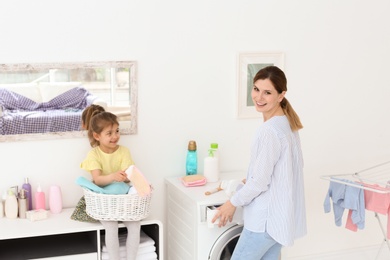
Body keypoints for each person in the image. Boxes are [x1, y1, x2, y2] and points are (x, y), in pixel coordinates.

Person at [212, 66, 307, 260]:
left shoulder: (269, 131)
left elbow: (260, 182)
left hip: (264, 222)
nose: (259, 97)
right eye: (256, 89)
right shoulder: (288, 125)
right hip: (280, 222)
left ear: (281, 95)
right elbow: (286, 172)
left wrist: (232, 203)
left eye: (267, 92)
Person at [80, 111, 150, 260]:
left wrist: (128, 177)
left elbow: (128, 177)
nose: (115, 136)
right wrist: (112, 176)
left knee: (135, 225)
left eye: (117, 131)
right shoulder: (94, 155)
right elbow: (97, 180)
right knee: (111, 227)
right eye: (109, 133)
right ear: (97, 136)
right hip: (105, 203)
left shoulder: (124, 151)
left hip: (123, 201)